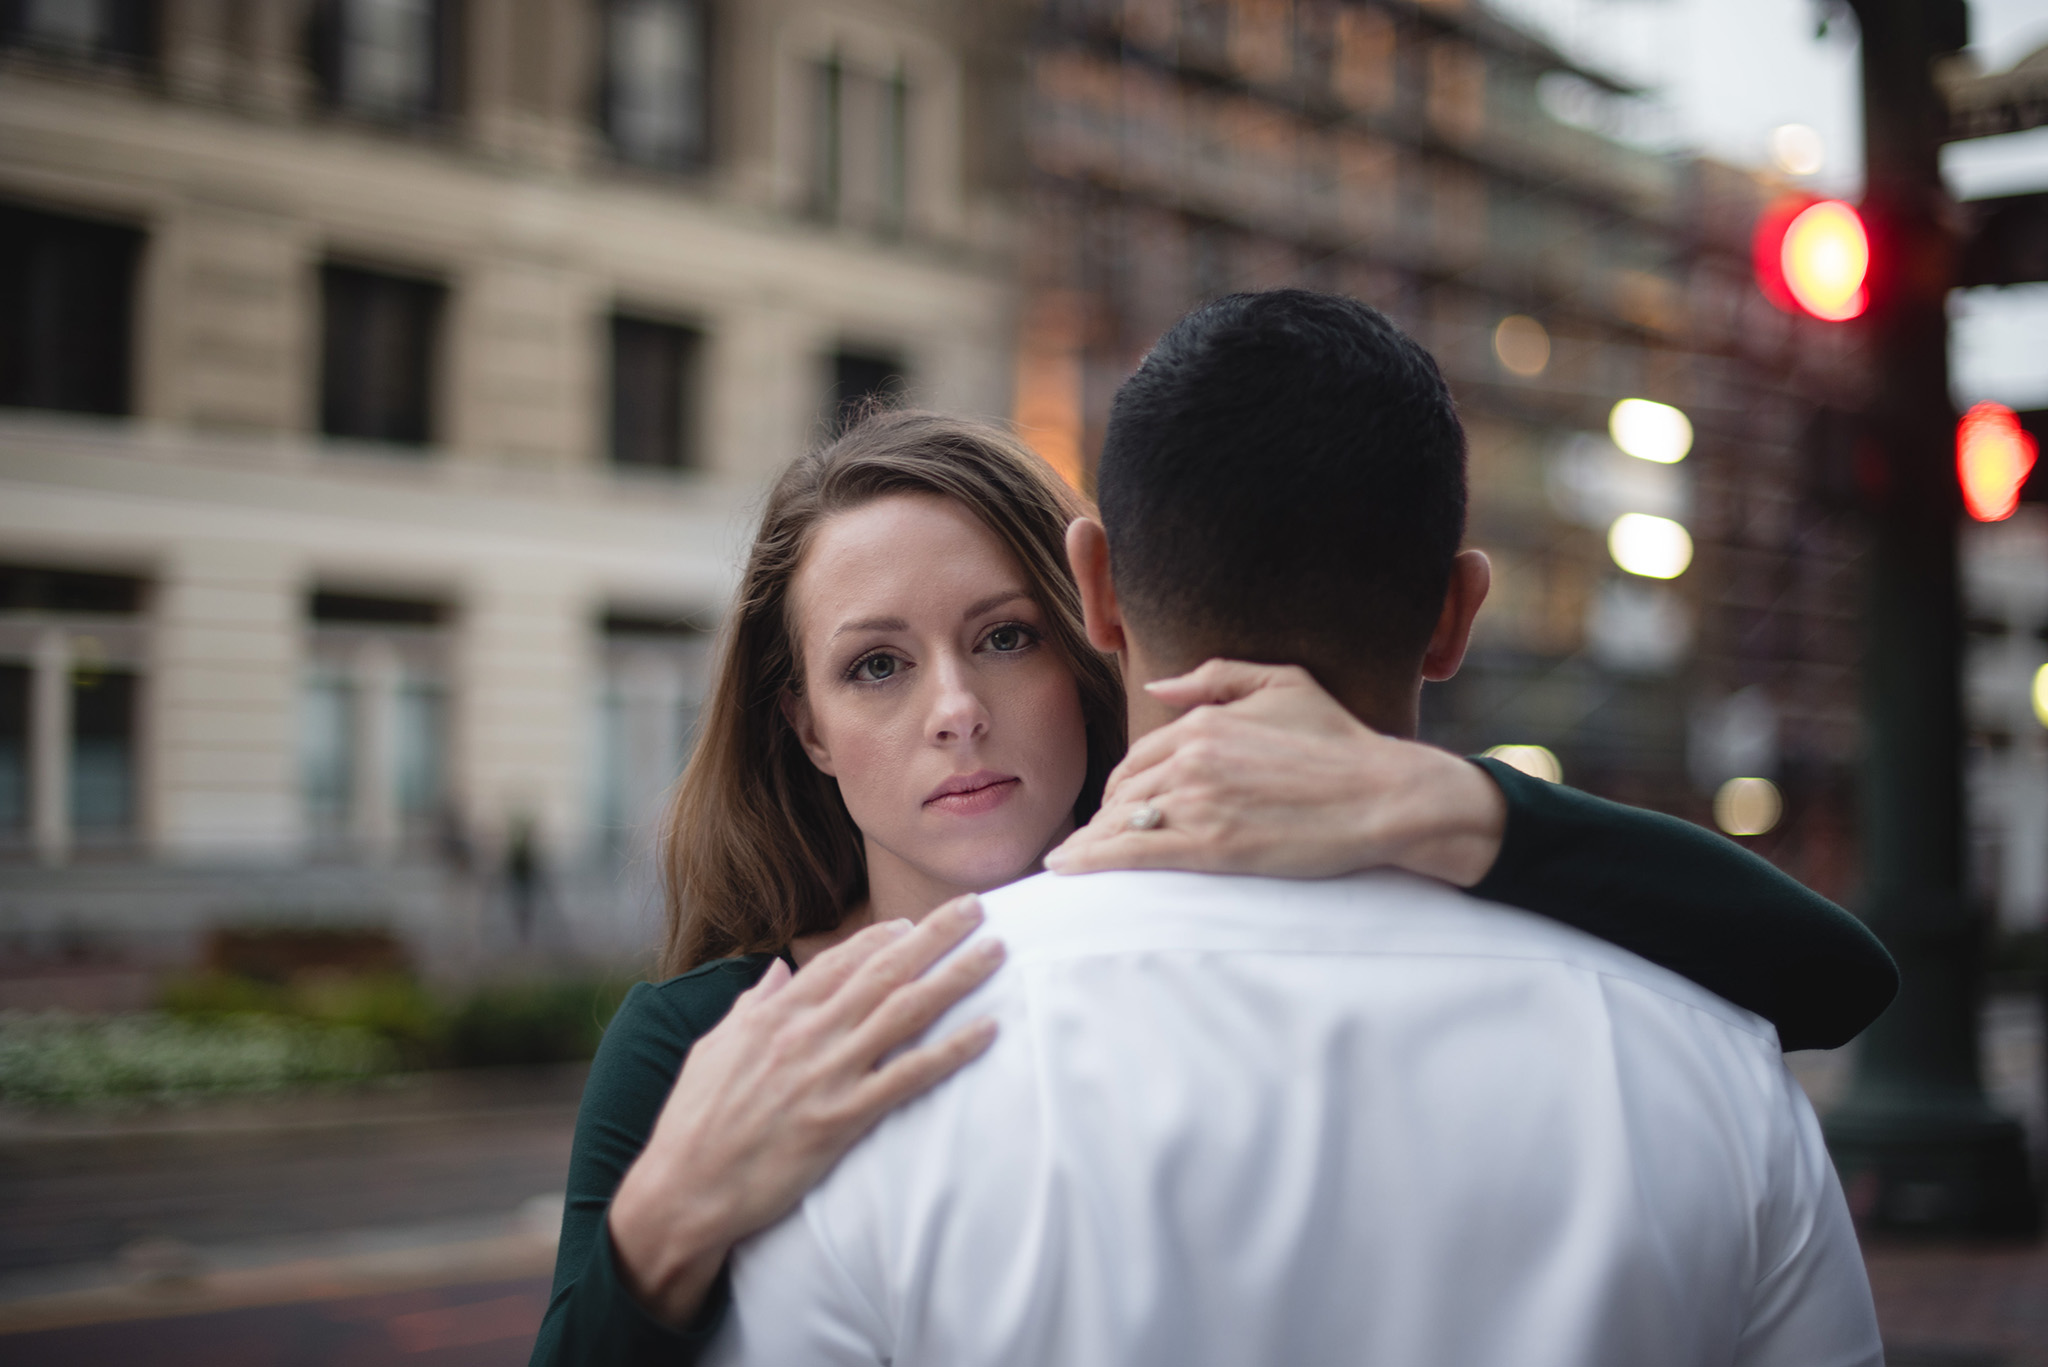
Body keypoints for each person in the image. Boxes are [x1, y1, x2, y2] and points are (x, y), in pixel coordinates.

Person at [530, 402, 1894, 1365]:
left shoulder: (1261, 889)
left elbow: (1833, 977)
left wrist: (1446, 799)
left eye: (1002, 638)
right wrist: (659, 1229)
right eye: (876, 665)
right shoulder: (702, 1040)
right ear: (806, 726)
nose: (954, 709)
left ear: (1093, 638)